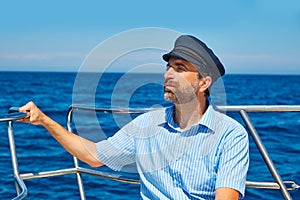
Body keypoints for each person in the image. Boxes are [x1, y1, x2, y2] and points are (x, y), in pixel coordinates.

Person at [19, 35, 249, 199]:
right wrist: (44, 120)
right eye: (168, 67)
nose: (168, 74)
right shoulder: (148, 124)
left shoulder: (230, 135)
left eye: (180, 68)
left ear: (203, 83)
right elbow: (94, 157)